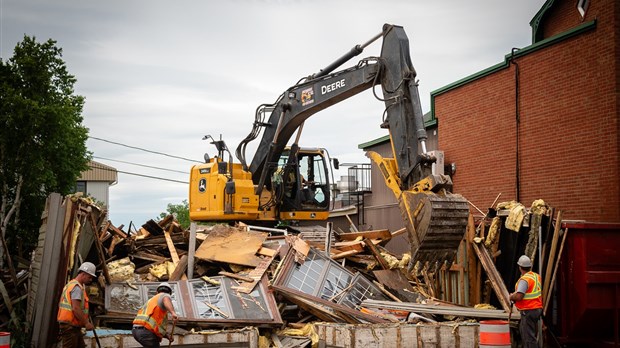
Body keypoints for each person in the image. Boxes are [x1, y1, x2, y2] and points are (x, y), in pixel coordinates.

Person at [57, 261, 97, 348]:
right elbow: (75, 308)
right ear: (83, 274)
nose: (90, 280)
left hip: (72, 326)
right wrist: (86, 323)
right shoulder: (77, 288)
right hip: (70, 326)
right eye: (89, 277)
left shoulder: (71, 284)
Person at [509, 255, 543, 348]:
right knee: (530, 335)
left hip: (528, 310)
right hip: (537, 309)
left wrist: (511, 296)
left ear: (520, 267)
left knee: (528, 338)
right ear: (530, 266)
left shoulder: (524, 280)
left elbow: (519, 296)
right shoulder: (536, 276)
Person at [132, 282, 179, 347]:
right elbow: (166, 299)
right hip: (146, 331)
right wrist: (173, 313)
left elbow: (154, 324)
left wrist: (166, 335)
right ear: (169, 293)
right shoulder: (164, 295)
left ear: (157, 292)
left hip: (136, 331)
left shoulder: (151, 301)